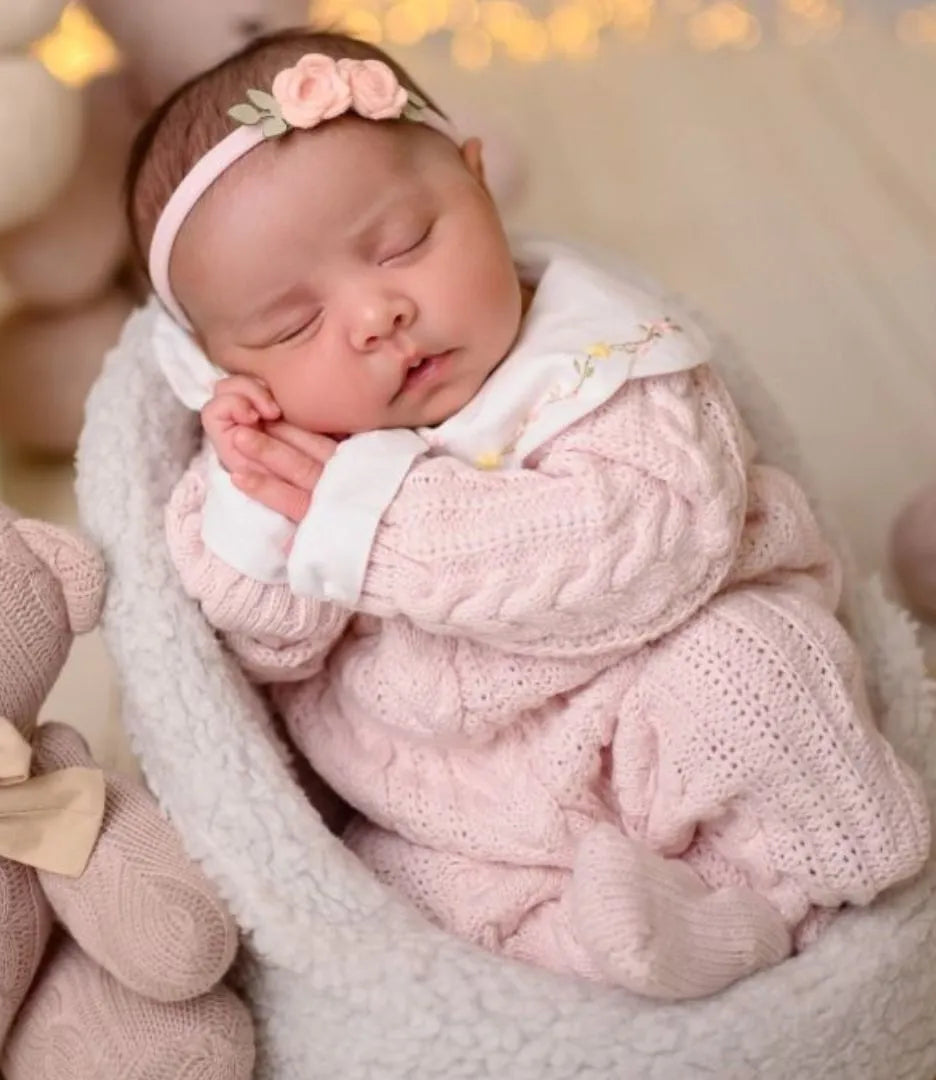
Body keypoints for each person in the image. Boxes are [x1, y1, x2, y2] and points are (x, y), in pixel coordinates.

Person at [124, 28, 930, 1000]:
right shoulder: (281, 457)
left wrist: (387, 524)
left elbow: (654, 541)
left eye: (404, 245)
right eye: (294, 325)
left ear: (478, 186)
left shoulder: (595, 358)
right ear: (222, 367)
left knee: (748, 667)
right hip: (462, 798)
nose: (376, 316)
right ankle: (619, 939)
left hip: (656, 695)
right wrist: (260, 501)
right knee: (396, 883)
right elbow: (267, 651)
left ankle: (794, 887)